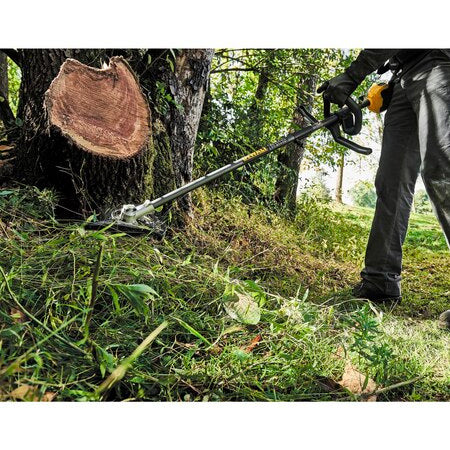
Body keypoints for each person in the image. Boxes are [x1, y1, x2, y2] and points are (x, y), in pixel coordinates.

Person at [318, 49, 450, 319]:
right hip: (403, 76)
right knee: (391, 180)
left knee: (441, 169)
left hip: (439, 64)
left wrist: (351, 76)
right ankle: (380, 282)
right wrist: (391, 79)